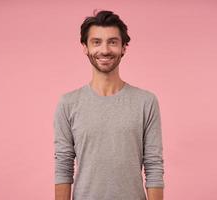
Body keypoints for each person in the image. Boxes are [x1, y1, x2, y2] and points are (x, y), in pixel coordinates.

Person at [54, 10, 165, 200]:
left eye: (112, 42)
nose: (104, 50)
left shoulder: (146, 102)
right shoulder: (68, 103)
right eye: (96, 42)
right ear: (85, 47)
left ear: (124, 48)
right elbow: (63, 165)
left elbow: (153, 165)